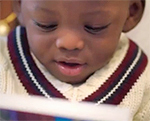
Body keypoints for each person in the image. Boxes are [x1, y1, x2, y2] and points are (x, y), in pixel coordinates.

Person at [0, 0, 149, 120]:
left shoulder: (143, 83)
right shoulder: (3, 64)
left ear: (131, 12)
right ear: (19, 5)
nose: (69, 44)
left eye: (95, 27)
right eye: (46, 24)